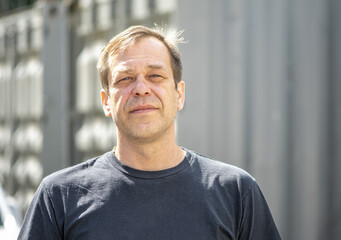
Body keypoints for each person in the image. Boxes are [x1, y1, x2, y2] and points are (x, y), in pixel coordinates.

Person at [18, 25, 281, 240]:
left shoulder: (235, 192)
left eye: (155, 76)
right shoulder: (60, 197)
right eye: (125, 79)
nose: (141, 89)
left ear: (179, 95)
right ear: (106, 101)